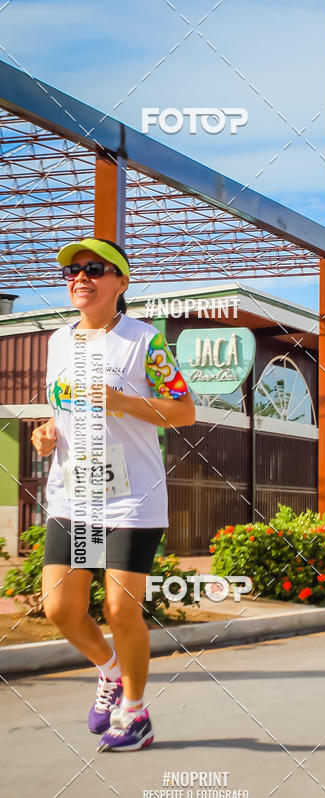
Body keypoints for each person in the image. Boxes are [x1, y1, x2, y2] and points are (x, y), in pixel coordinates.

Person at [31, 238, 195, 751]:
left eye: (95, 269)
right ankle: (109, 670)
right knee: (60, 606)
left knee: (122, 609)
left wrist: (121, 401)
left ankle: (136, 712)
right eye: (73, 271)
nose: (80, 277)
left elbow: (185, 411)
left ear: (120, 282)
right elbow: (61, 410)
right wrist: (46, 433)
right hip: (75, 493)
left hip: (131, 497)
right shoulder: (59, 342)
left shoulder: (144, 341)